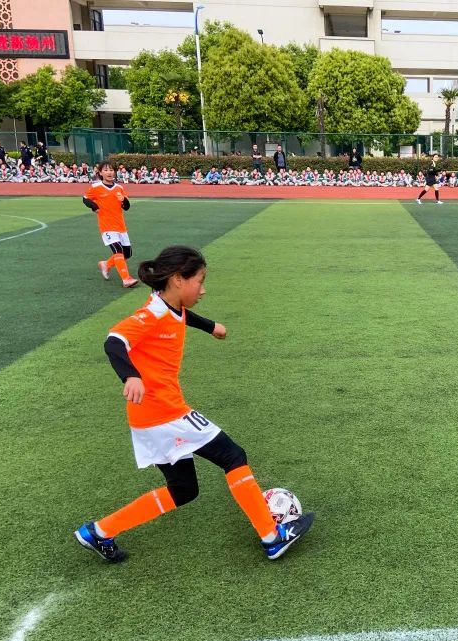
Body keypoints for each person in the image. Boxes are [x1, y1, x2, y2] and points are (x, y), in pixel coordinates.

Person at [75, 245, 315, 563]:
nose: (203, 289)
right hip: (164, 411)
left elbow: (182, 316)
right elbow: (115, 340)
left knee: (183, 489)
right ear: (177, 279)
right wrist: (130, 376)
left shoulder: (169, 306)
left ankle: (99, 531)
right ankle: (272, 537)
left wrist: (210, 326)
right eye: (199, 281)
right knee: (233, 455)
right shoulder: (152, 313)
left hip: (148, 417)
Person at [83, 161, 140, 289]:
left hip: (120, 226)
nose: (109, 172)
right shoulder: (96, 187)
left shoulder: (119, 188)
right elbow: (85, 199)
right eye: (106, 170)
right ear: (100, 172)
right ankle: (126, 279)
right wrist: (94, 206)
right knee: (118, 250)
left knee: (127, 254)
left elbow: (126, 207)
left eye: (111, 170)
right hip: (107, 226)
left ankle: (106, 264)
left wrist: (123, 200)